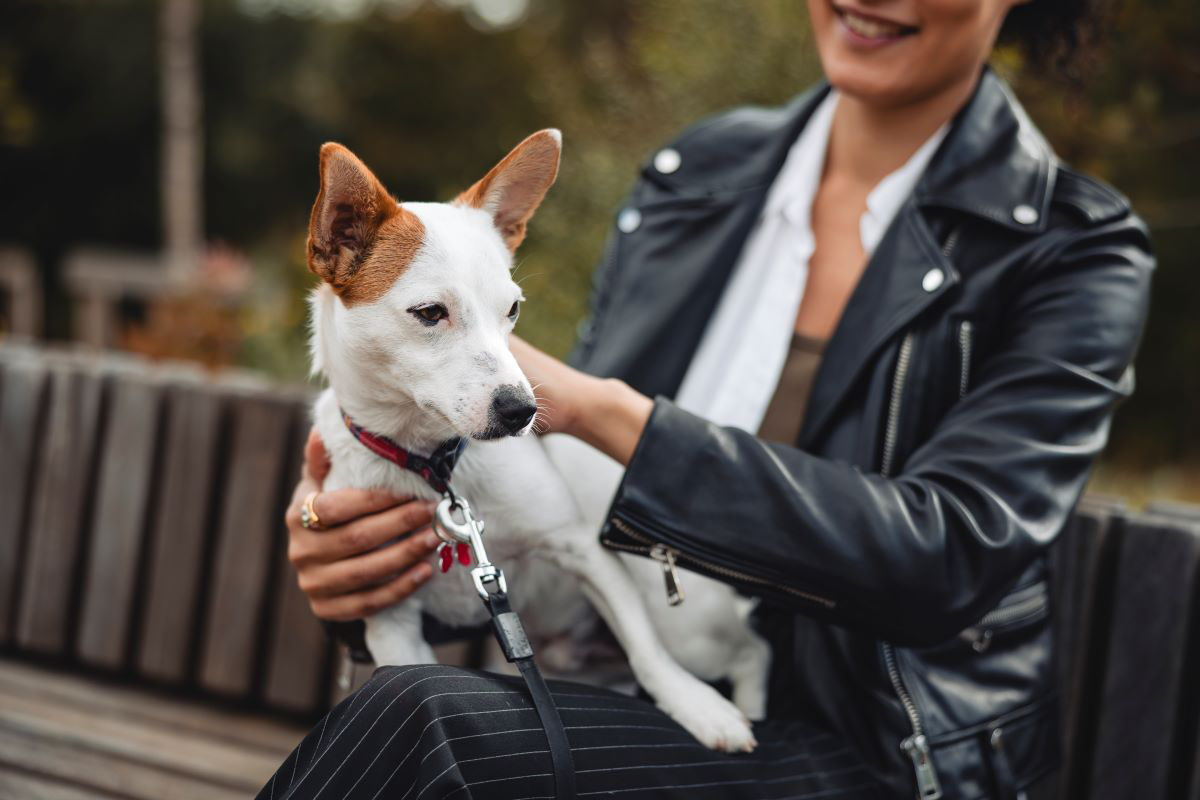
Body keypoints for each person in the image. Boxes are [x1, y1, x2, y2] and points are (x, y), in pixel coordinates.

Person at [263, 0, 1153, 797]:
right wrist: (366, 545)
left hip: (862, 740)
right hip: (610, 684)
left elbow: (951, 556)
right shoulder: (697, 173)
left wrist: (616, 417)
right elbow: (546, 489)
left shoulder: (1074, 251)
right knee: (421, 712)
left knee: (427, 720)